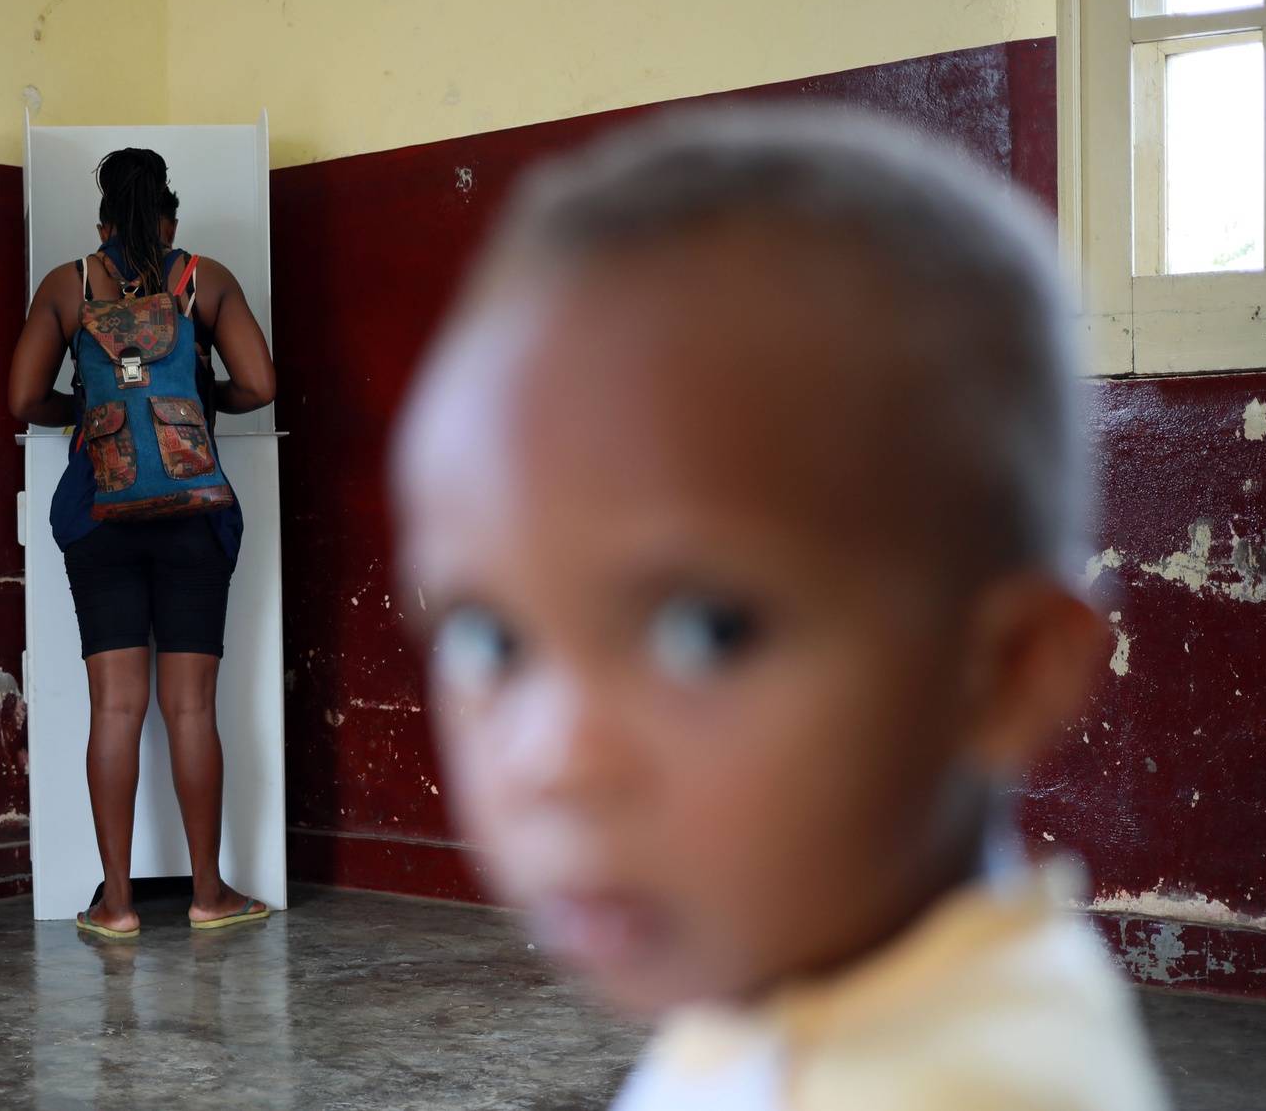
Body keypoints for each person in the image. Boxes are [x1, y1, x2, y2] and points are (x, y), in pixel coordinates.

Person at [387, 105, 1169, 1110]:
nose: (552, 762)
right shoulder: (810, 976)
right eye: (487, 638)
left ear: (1007, 670)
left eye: (704, 632)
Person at [8, 147, 277, 938]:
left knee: (115, 709)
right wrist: (199, 398)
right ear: (170, 218)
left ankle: (118, 906)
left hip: (102, 517)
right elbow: (261, 384)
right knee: (193, 709)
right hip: (193, 514)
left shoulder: (69, 284)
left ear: (102, 222)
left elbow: (23, 399)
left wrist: (89, 412)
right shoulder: (206, 278)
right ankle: (209, 896)